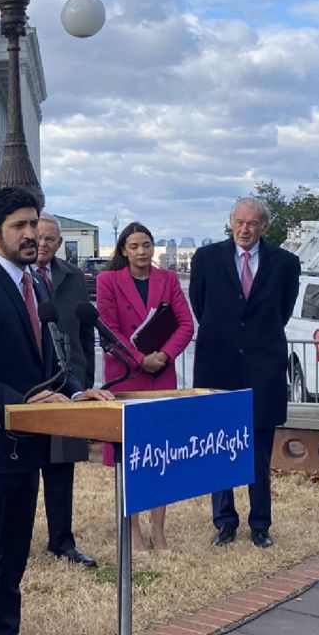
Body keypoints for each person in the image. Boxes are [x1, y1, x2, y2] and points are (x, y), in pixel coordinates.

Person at [0, 187, 113, 635]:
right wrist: (18, 406)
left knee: (12, 563)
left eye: (33, 223)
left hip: (28, 449)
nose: (31, 233)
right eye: (19, 225)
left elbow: (51, 359)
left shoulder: (35, 284)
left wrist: (77, 394)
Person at [190, 197, 300, 549]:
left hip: (262, 369)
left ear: (264, 226)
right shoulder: (206, 259)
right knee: (219, 448)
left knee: (258, 452)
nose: (244, 229)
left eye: (252, 223)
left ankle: (260, 524)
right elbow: (200, 305)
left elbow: (282, 311)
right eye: (239, 222)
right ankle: (224, 521)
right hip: (218, 367)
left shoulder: (285, 263)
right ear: (230, 223)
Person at [95, 222, 196, 552]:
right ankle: (134, 530)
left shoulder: (167, 280)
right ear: (123, 249)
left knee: (160, 455)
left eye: (147, 245)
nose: (142, 252)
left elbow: (185, 323)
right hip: (128, 376)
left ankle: (160, 530)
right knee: (131, 458)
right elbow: (109, 329)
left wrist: (165, 355)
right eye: (135, 246)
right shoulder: (108, 280)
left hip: (161, 376)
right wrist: (139, 359)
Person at [31, 213, 98, 567]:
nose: (43, 244)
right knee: (26, 467)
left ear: (60, 244)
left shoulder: (73, 278)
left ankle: (62, 540)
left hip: (70, 383)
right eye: (39, 237)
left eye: (50, 240)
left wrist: (85, 382)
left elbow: (84, 332)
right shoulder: (19, 276)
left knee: (62, 468)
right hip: (32, 387)